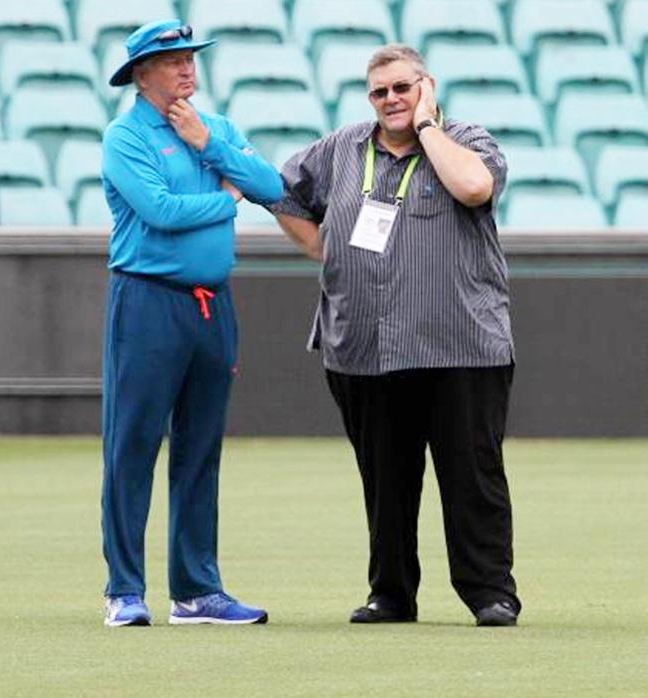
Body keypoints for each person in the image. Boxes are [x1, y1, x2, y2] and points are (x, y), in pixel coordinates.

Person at [272, 44, 521, 627]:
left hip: (460, 344)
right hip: (363, 344)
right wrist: (320, 248)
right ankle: (390, 593)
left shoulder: (467, 139)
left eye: (403, 88)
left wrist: (429, 126)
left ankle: (490, 593)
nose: (391, 101)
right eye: (380, 92)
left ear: (427, 88)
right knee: (385, 481)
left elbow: (474, 188)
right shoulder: (341, 148)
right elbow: (281, 190)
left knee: (471, 474)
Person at [100, 18, 283, 627]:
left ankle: (196, 591)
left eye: (190, 57)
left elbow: (272, 185)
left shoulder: (216, 129)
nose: (187, 68)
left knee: (200, 449)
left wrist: (211, 145)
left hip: (213, 306)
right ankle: (124, 589)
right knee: (133, 445)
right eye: (173, 59)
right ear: (141, 74)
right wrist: (226, 199)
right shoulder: (125, 137)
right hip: (148, 303)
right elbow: (160, 212)